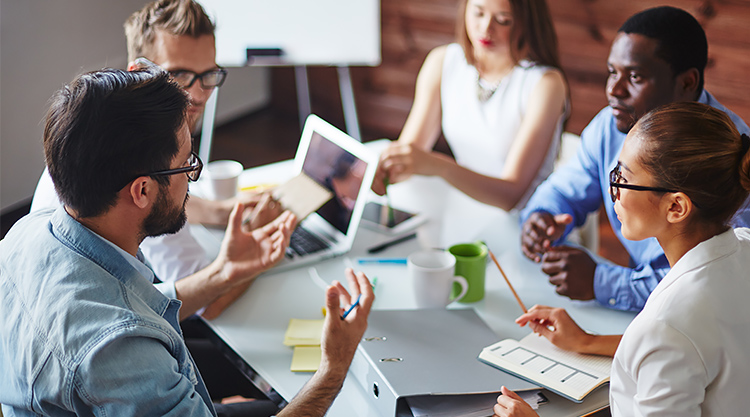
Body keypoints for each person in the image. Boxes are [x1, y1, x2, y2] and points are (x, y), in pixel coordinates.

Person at [0, 67, 374, 417]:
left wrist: (226, 272)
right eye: (187, 164)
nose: (192, 179)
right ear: (142, 190)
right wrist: (333, 369)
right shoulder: (120, 350)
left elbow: (132, 307)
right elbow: (123, 330)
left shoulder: (28, 232)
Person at [494, 101, 750, 416]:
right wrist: (587, 342)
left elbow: (674, 340)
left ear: (676, 207)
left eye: (623, 177)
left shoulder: (668, 325)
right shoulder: (743, 246)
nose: (612, 189)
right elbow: (693, 349)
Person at [30, 0, 271, 319]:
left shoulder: (94, 124)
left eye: (208, 74)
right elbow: (203, 303)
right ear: (139, 71)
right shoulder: (142, 157)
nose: (197, 94)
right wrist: (260, 248)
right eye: (180, 75)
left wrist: (220, 212)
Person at [520, 6, 750, 311]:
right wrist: (542, 215)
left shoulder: (725, 155)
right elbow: (565, 188)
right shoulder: (610, 125)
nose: (614, 90)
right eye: (612, 72)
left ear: (687, 82)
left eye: (635, 76)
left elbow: (715, 282)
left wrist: (603, 282)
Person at [375, 0, 568, 211]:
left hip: (531, 222)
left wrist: (439, 166)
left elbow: (510, 196)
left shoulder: (546, 84)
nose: (486, 28)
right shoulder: (443, 62)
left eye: (504, 20)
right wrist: (384, 170)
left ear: (527, 22)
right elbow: (410, 153)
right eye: (478, 13)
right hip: (468, 209)